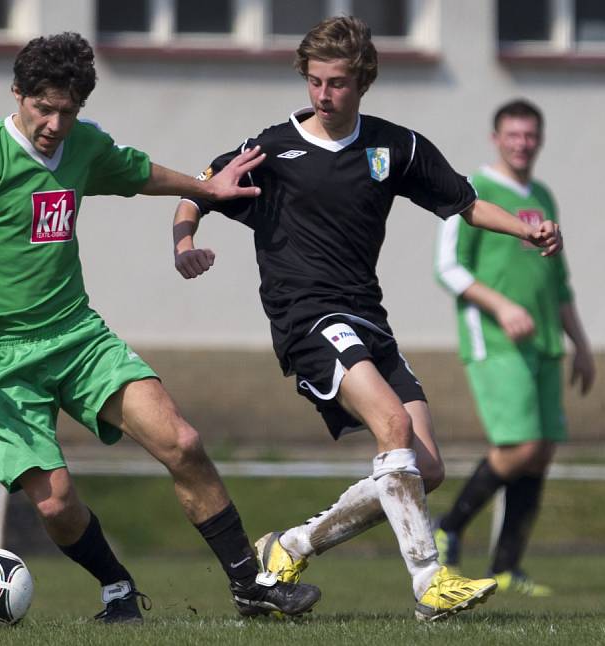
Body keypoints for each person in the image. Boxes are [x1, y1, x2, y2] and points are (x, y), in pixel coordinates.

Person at [0, 32, 321, 623]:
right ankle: (117, 588)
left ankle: (252, 585)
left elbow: (136, 172)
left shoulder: (82, 145)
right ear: (17, 94)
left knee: (184, 443)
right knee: (57, 504)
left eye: (68, 111)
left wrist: (207, 189)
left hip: (76, 335)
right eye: (44, 108)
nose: (55, 124)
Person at [171, 16, 563, 622]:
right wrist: (184, 243)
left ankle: (291, 545)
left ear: (364, 83)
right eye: (314, 82)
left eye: (337, 84)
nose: (323, 96)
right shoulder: (274, 149)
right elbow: (197, 189)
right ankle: (430, 584)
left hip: (366, 317)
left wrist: (527, 229)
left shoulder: (394, 146)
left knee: (424, 468)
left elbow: (465, 202)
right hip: (304, 318)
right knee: (391, 427)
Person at [433, 99, 594, 595]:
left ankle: (507, 567)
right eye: (513, 135)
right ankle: (449, 529)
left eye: (530, 135)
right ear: (496, 138)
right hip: (495, 339)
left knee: (542, 450)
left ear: (539, 140)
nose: (522, 144)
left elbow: (558, 279)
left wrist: (581, 344)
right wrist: (501, 306)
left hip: (545, 340)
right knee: (519, 445)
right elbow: (449, 267)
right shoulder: (472, 191)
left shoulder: (542, 194)